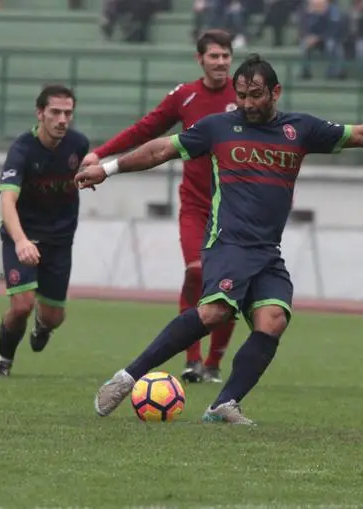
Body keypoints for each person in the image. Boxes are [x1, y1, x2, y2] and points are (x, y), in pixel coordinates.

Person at [75, 53, 363, 424]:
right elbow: (161, 149)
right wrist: (108, 168)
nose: (247, 103)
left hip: (267, 250)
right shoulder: (217, 127)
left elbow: (360, 134)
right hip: (228, 241)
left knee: (272, 320)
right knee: (215, 312)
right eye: (241, 95)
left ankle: (224, 404)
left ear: (276, 92)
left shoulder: (300, 129)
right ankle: (127, 378)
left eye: (255, 95)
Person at [80, 29, 239, 385]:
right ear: (200, 60)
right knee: (196, 273)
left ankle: (214, 362)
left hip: (233, 211)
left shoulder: (243, 96)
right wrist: (101, 154)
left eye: (226, 55)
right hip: (196, 206)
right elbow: (146, 128)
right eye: (213, 56)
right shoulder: (185, 96)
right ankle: (192, 359)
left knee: (228, 287)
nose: (221, 62)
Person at [0, 84, 90, 377]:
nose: (62, 119)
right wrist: (20, 241)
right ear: (40, 113)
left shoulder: (79, 144)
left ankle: (43, 326)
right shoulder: (21, 150)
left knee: (54, 316)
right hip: (23, 236)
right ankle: (2, 361)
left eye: (68, 113)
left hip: (60, 240)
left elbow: (85, 171)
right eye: (55, 112)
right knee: (22, 305)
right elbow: (7, 200)